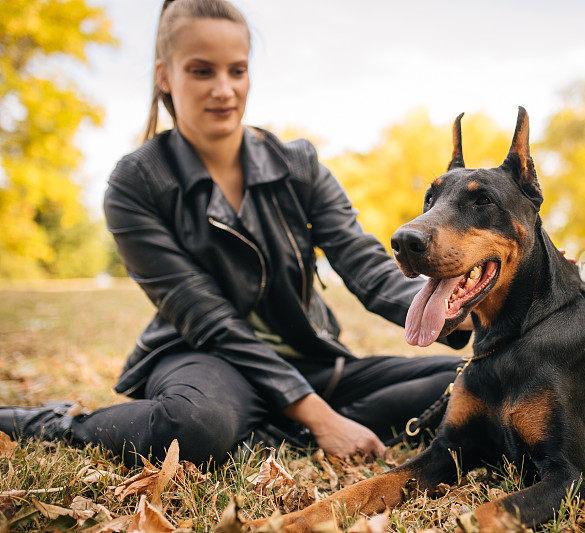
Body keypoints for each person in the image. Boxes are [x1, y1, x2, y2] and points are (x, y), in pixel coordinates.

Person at [0, 0, 470, 467]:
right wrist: (322, 419)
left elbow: (365, 266)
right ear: (165, 75)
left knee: (469, 380)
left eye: (237, 71)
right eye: (202, 71)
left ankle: (274, 429)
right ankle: (52, 425)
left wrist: (457, 313)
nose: (224, 89)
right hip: (206, 358)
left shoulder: (298, 164)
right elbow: (210, 320)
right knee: (197, 427)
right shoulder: (137, 184)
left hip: (310, 360)